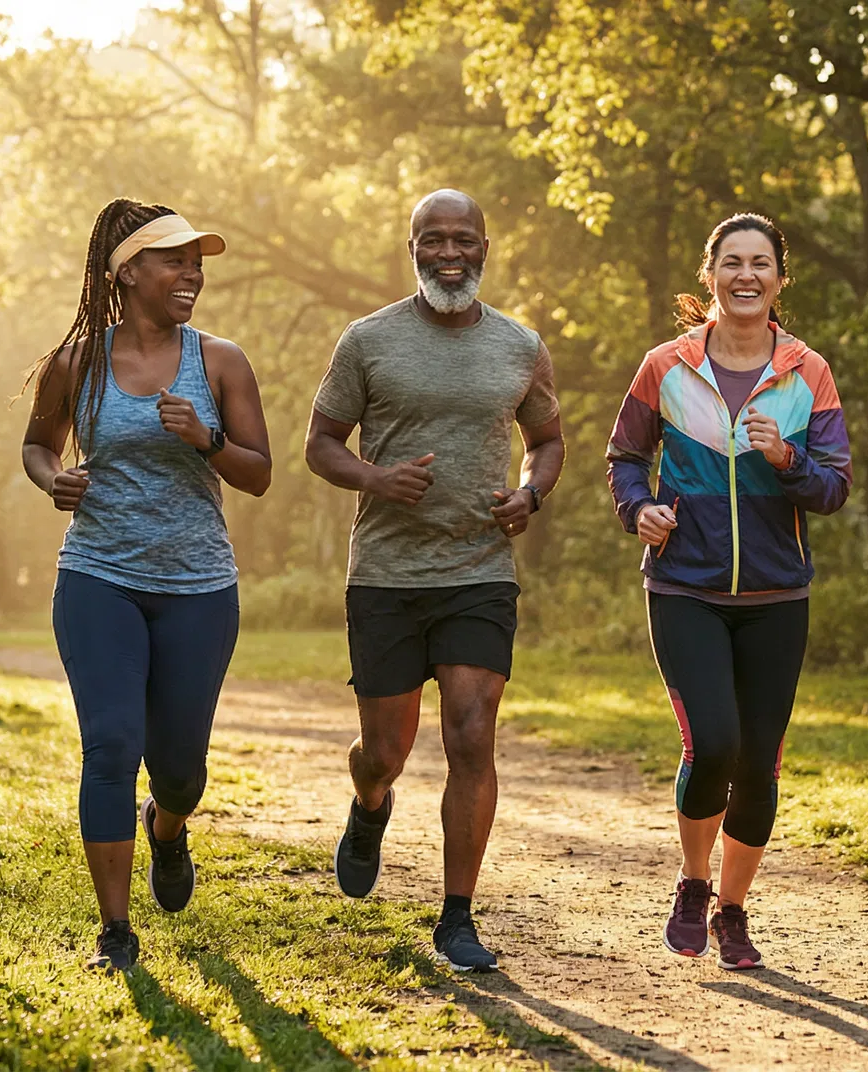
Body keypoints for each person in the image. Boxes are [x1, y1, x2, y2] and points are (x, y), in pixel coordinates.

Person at [305, 188, 564, 973]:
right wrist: (376, 479)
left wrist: (530, 494)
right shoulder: (368, 340)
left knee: (473, 735)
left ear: (484, 247)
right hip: (386, 575)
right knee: (385, 750)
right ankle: (370, 802)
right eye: (434, 239)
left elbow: (547, 440)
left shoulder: (520, 345)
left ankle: (457, 918)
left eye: (463, 239)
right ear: (412, 248)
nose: (450, 253)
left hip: (478, 569)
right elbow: (321, 443)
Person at [21, 199, 273, 973]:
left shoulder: (221, 362)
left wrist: (207, 438)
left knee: (181, 770)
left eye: (197, 263)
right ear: (128, 273)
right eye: (174, 261)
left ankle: (167, 825)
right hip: (98, 577)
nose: (191, 274)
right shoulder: (76, 364)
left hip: (198, 587)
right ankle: (116, 933)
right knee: (110, 745)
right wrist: (55, 481)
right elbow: (38, 446)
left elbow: (259, 474)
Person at [606, 214, 852, 971]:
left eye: (761, 263)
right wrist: (638, 509)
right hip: (685, 586)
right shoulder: (665, 366)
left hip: (777, 596)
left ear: (779, 279)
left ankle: (734, 911)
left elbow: (834, 488)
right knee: (713, 743)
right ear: (710, 275)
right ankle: (693, 882)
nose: (747, 275)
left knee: (759, 762)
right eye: (733, 262)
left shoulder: (808, 373)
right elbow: (625, 457)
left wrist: (788, 462)